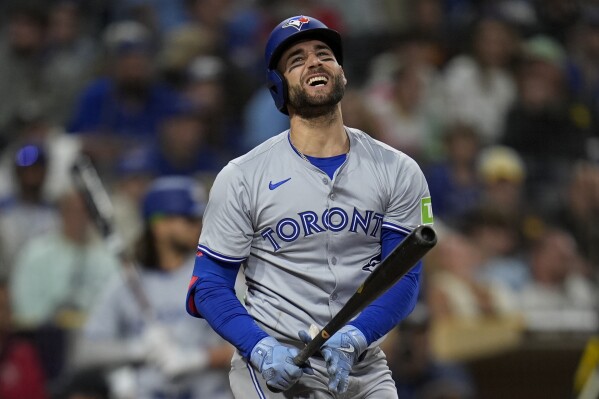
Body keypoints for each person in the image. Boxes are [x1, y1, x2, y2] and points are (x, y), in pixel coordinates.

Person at [185, 15, 433, 397]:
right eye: (296, 60)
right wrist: (259, 347)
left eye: (324, 54)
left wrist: (356, 335)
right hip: (276, 360)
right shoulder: (242, 176)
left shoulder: (399, 169)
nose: (315, 61)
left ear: (342, 73)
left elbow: (404, 276)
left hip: (359, 359)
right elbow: (209, 284)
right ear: (278, 87)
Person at [74, 176, 234, 399]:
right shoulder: (126, 284)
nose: (199, 226)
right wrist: (136, 349)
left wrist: (197, 358)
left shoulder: (215, 276)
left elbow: (250, 346)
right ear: (159, 225)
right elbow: (83, 353)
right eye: (189, 219)